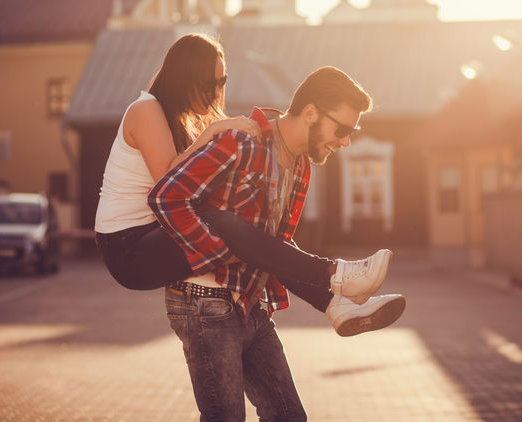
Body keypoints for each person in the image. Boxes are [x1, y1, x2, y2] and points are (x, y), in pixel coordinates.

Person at [94, 34, 405, 337]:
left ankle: (335, 302)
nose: (217, 91)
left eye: (222, 81)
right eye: (211, 83)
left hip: (159, 234)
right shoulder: (146, 109)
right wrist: (216, 129)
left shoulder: (188, 120)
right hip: (128, 247)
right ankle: (336, 275)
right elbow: (166, 184)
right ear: (186, 78)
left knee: (251, 229)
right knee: (223, 221)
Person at [150, 65, 403, 421]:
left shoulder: (300, 165)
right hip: (204, 302)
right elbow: (167, 197)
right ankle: (340, 284)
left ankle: (337, 299)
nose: (346, 141)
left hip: (249, 303)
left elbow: (274, 248)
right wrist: (214, 252)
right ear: (311, 112)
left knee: (288, 416)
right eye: (342, 129)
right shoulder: (242, 141)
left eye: (352, 132)